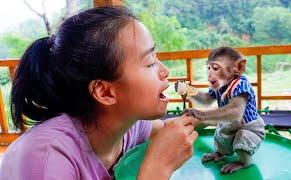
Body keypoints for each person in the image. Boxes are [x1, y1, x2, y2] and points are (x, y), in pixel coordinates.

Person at [0, 6, 198, 180]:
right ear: (104, 92)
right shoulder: (46, 158)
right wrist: (157, 167)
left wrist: (219, 113)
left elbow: (169, 127)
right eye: (150, 63)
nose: (165, 72)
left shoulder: (126, 127)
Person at [177, 47, 265, 174]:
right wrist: (188, 90)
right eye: (209, 68)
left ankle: (244, 161)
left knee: (243, 137)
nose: (210, 74)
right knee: (221, 132)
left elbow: (235, 112)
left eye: (216, 68)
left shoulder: (241, 85)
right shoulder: (220, 85)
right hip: (232, 124)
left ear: (238, 68)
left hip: (250, 127)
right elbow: (206, 100)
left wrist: (201, 114)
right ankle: (220, 153)